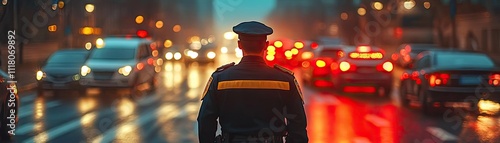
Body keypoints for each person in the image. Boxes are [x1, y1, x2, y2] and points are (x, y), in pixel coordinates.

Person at [197, 21, 308, 143]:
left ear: (239, 45)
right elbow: (298, 123)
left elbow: (205, 119)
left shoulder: (220, 78)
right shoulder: (285, 80)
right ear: (266, 45)